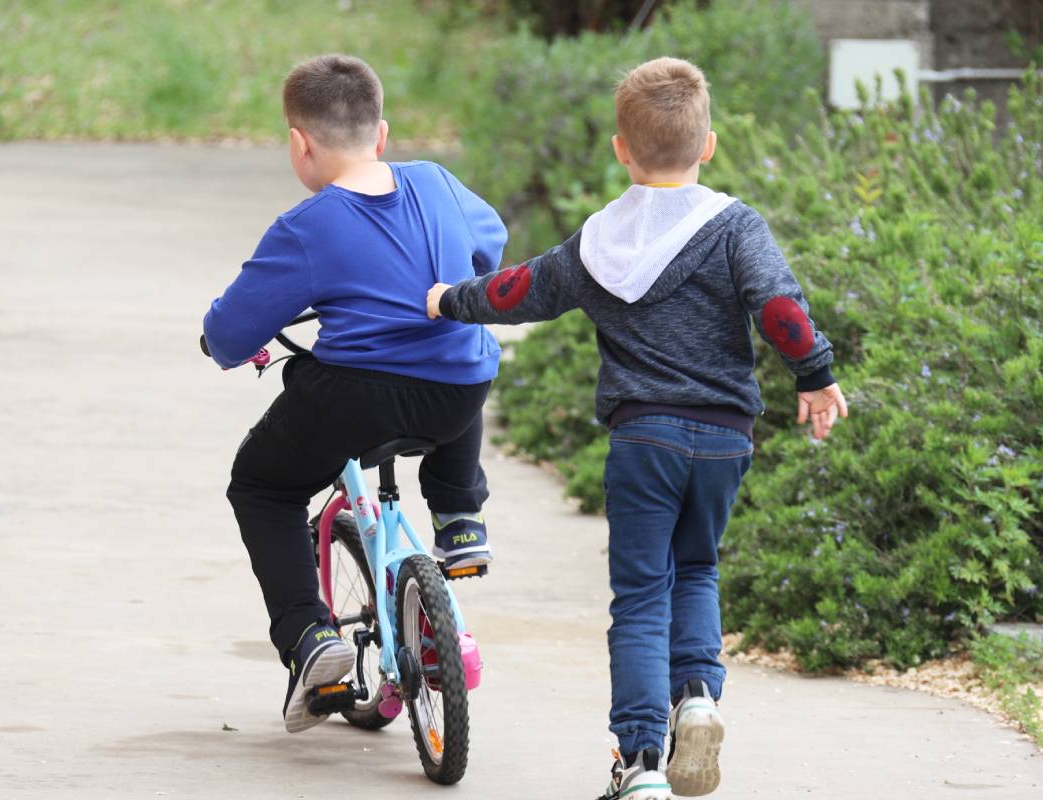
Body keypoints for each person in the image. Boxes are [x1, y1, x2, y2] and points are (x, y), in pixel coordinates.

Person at [427, 57, 848, 799]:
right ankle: (698, 696)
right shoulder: (734, 227)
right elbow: (779, 308)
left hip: (642, 439)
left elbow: (517, 291)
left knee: (641, 595)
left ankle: (642, 761)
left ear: (621, 149)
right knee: (699, 568)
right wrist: (814, 373)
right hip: (723, 438)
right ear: (708, 144)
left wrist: (447, 300)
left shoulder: (598, 242)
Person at [202, 54, 505, 734]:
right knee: (467, 360)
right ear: (382, 133)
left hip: (357, 396)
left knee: (262, 486)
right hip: (458, 388)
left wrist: (217, 340)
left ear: (299, 144)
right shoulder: (438, 182)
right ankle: (460, 525)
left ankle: (310, 639)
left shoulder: (308, 226)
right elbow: (492, 244)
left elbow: (229, 335)